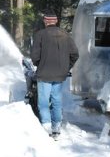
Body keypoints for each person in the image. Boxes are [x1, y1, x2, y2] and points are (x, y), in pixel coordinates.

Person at [30, 9, 79, 139]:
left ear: (45, 21)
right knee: (57, 100)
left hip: (44, 74)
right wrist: (66, 67)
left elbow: (35, 56)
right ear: (56, 21)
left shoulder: (40, 35)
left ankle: (46, 127)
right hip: (60, 75)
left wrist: (39, 64)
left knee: (44, 102)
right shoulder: (65, 35)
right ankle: (56, 127)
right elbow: (75, 54)